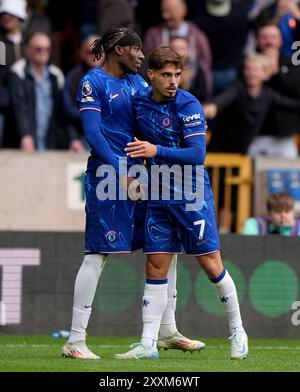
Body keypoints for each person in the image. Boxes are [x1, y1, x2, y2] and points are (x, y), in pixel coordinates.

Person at [62, 27, 204, 360]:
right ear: (117, 49)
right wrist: (120, 170)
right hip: (109, 177)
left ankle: (167, 330)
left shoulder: (138, 84)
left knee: (164, 245)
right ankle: (75, 340)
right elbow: (93, 134)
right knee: (98, 253)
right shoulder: (92, 82)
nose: (142, 55)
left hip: (144, 177)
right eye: (137, 49)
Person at [114, 47, 248, 360]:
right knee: (155, 264)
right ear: (151, 74)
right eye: (166, 75)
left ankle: (238, 330)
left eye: (177, 74)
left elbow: (197, 155)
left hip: (191, 197)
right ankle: (148, 344)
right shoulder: (139, 103)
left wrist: (154, 151)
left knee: (211, 265)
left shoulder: (188, 104)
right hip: (159, 198)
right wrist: (131, 173)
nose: (174, 81)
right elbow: (131, 143)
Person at [7, 31, 65, 150]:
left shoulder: (55, 75)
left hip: (49, 140)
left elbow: (59, 112)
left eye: (47, 49)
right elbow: (18, 107)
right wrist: (25, 135)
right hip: (25, 141)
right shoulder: (18, 73)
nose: (44, 52)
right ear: (28, 50)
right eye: (39, 49)